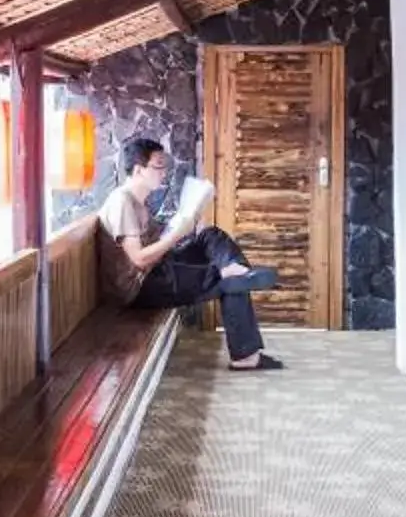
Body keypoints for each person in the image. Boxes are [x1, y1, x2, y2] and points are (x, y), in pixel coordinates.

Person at [100, 134, 283, 370]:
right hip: (141, 287)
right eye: (157, 166)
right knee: (225, 281)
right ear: (138, 170)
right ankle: (245, 353)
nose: (164, 172)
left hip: (159, 267)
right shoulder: (122, 202)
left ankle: (235, 268)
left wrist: (186, 221)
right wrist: (177, 234)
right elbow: (138, 259)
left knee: (210, 236)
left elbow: (159, 242)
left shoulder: (139, 201)